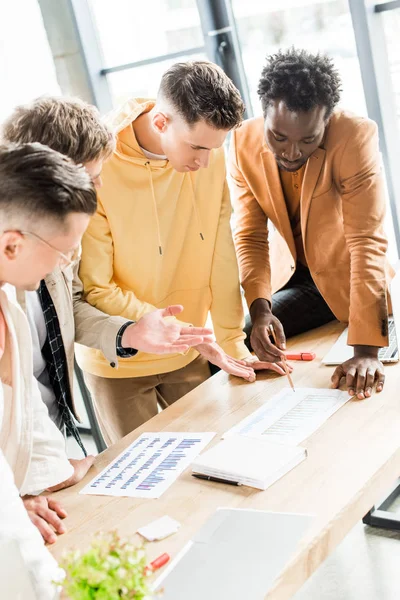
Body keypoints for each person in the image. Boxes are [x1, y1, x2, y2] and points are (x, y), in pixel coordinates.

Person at [77, 60, 287, 445]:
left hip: (192, 351)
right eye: (196, 147)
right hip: (118, 361)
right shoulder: (97, 166)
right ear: (161, 123)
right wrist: (182, 333)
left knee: (214, 465)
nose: (204, 162)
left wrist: (232, 343)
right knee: (142, 483)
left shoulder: (208, 153)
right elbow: (96, 288)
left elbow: (220, 253)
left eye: (214, 148)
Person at [1, 95, 215, 456]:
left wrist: (128, 331)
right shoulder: (29, 241)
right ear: (48, 176)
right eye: (92, 179)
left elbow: (67, 304)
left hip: (44, 432)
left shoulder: (59, 231)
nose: (99, 191)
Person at [229, 47, 393, 401]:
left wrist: (366, 352)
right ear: (263, 113)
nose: (291, 152)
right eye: (279, 137)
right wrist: (260, 309)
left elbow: (367, 239)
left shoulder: (354, 135)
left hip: (350, 274)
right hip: (295, 278)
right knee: (247, 339)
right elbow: (250, 236)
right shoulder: (242, 141)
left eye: (308, 139)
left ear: (327, 120)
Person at [0, 143, 97, 550]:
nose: (63, 264)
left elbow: (22, 407)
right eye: (62, 251)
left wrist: (52, 472)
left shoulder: (9, 304)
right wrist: (8, 509)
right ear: (12, 245)